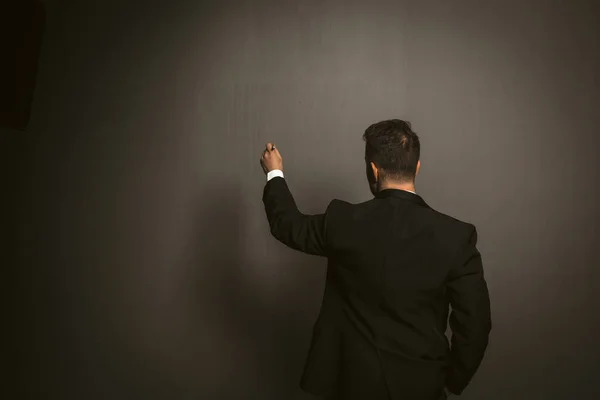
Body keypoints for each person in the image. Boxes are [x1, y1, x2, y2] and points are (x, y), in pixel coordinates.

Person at [260, 119, 491, 400]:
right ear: (417, 167)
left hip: (353, 387)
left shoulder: (343, 222)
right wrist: (453, 380)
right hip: (423, 387)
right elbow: (476, 324)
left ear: (373, 169)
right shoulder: (456, 236)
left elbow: (287, 225)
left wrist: (275, 173)